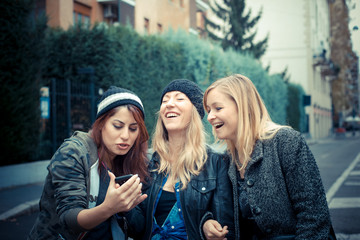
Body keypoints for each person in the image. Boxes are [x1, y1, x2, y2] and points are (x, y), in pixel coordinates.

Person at [203, 74, 335, 240]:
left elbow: (314, 216)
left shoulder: (286, 141)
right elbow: (214, 208)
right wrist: (207, 223)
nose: (209, 117)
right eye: (208, 110)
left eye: (218, 108)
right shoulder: (225, 159)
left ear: (243, 106)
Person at [28, 86, 149, 240]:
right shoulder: (74, 152)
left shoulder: (132, 159)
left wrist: (126, 208)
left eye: (133, 129)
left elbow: (139, 229)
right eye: (117, 126)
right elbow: (69, 218)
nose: (125, 136)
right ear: (101, 124)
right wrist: (109, 207)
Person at [125, 79, 234, 240]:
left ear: (195, 111)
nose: (169, 104)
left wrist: (208, 226)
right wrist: (124, 206)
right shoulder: (146, 161)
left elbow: (226, 226)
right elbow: (137, 229)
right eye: (165, 100)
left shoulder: (217, 162)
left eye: (179, 98)